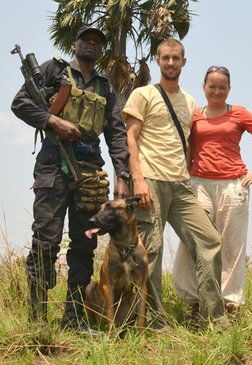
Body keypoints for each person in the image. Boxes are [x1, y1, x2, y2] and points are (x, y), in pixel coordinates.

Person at [11, 26, 130, 335]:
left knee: (84, 245)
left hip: (89, 171)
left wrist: (123, 177)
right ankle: (38, 321)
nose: (91, 45)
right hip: (53, 164)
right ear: (75, 44)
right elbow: (20, 103)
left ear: (100, 50)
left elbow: (117, 135)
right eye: (86, 40)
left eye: (97, 42)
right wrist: (53, 120)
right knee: (45, 242)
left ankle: (73, 319)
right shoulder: (53, 70)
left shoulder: (105, 88)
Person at [121, 38, 228, 328]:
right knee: (151, 251)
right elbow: (130, 138)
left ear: (184, 62)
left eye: (176, 58)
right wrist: (138, 180)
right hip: (150, 182)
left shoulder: (191, 101)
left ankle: (215, 319)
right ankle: (153, 322)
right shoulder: (142, 95)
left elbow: (187, 144)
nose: (170, 63)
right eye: (165, 57)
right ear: (158, 60)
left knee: (209, 240)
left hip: (180, 184)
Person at [172, 65, 252, 314]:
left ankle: (230, 302)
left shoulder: (239, 113)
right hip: (199, 185)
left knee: (232, 245)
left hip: (233, 185)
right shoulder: (194, 115)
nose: (217, 91)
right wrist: (185, 177)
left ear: (229, 89)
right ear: (204, 87)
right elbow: (188, 148)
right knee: (195, 242)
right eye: (212, 86)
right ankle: (194, 301)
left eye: (222, 87)